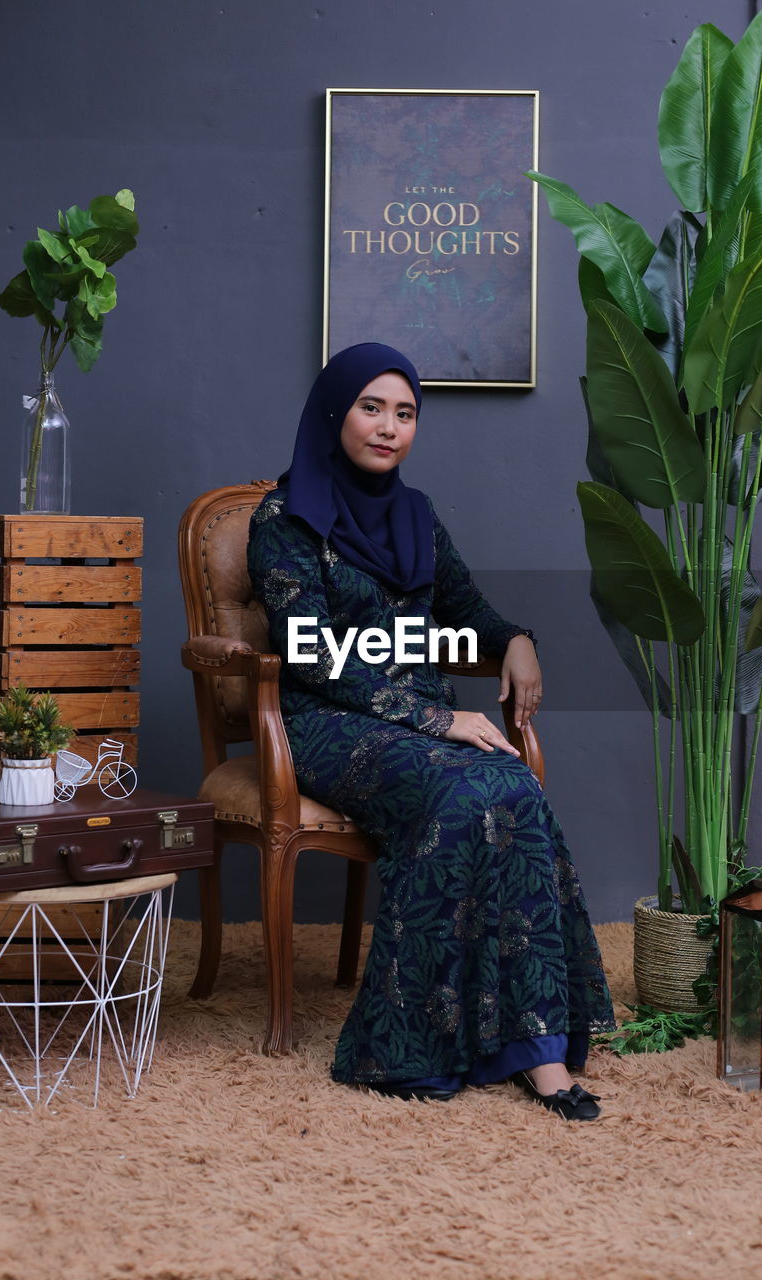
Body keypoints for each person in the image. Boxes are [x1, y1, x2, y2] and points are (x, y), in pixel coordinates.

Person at [247, 342, 615, 1119]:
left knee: (505, 782)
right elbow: (312, 658)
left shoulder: (415, 517)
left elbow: (468, 611)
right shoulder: (283, 521)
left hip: (418, 729)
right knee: (465, 787)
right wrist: (438, 717)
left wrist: (515, 639)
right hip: (328, 727)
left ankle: (537, 1048)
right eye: (371, 408)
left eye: (405, 413)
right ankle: (402, 1045)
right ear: (334, 413)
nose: (388, 428)